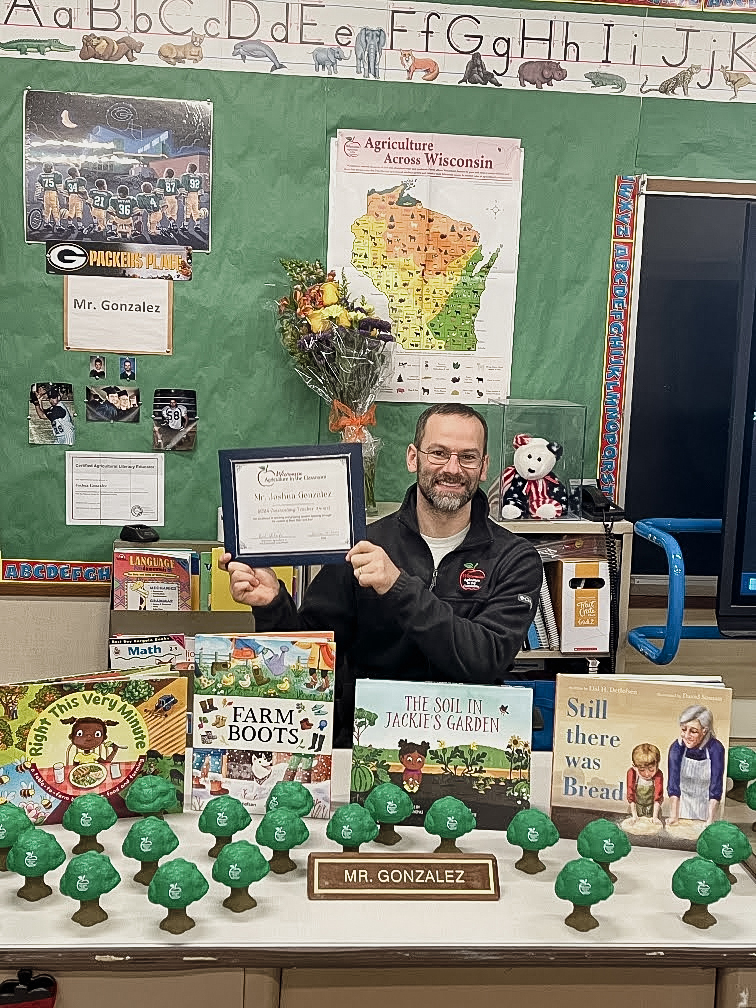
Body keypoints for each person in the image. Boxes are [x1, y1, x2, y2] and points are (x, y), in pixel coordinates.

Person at [223, 403, 544, 746]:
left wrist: (398, 586)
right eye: (438, 453)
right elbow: (311, 658)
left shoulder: (515, 558)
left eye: (467, 457)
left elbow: (485, 659)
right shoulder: (361, 546)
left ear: (483, 467)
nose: (452, 468)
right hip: (368, 743)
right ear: (412, 458)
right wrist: (272, 605)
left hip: (470, 748)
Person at [667, 705, 725, 826]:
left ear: (704, 730)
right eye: (683, 729)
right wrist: (674, 816)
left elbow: (716, 786)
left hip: (707, 808)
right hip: (682, 807)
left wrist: (710, 819)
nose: (686, 736)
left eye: (693, 731)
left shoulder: (715, 749)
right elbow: (673, 785)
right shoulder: (677, 748)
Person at [626, 742, 663, 823]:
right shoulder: (632, 773)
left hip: (653, 809)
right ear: (634, 767)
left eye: (651, 769)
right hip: (635, 808)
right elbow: (630, 795)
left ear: (657, 765)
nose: (647, 774)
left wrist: (655, 817)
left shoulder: (658, 775)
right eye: (642, 770)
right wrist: (634, 815)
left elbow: (658, 797)